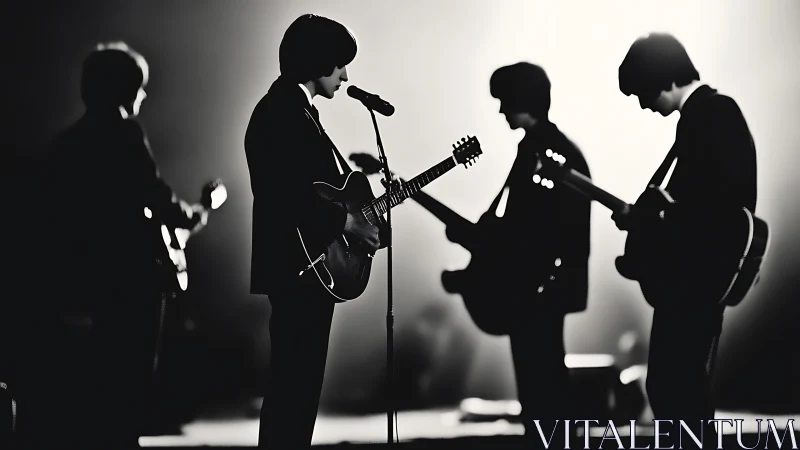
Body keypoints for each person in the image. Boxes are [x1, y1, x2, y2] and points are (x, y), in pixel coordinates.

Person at [22, 41, 212, 449]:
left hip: (76, 283)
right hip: (130, 280)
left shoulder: (64, 144)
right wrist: (194, 215)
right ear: (126, 90)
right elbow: (156, 196)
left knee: (91, 386)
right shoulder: (125, 132)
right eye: (139, 87)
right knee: (130, 381)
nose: (144, 95)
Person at [243, 14, 384, 449]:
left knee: (296, 392)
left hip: (305, 267)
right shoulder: (284, 112)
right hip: (298, 269)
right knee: (294, 392)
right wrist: (347, 221)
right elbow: (285, 194)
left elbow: (318, 190)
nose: (345, 75)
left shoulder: (296, 109)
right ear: (319, 60)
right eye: (340, 63)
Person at [614, 32, 758, 448]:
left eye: (641, 91)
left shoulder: (715, 113)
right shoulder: (698, 118)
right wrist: (647, 218)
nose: (642, 103)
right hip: (688, 276)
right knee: (670, 388)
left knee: (678, 390)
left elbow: (727, 203)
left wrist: (661, 213)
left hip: (698, 277)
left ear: (661, 77)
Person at [446, 62, 591, 448]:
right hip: (538, 288)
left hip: (539, 290)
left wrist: (482, 242)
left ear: (520, 99)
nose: (500, 111)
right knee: (540, 385)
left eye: (503, 101)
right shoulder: (538, 148)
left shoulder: (548, 153)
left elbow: (540, 232)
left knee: (541, 386)